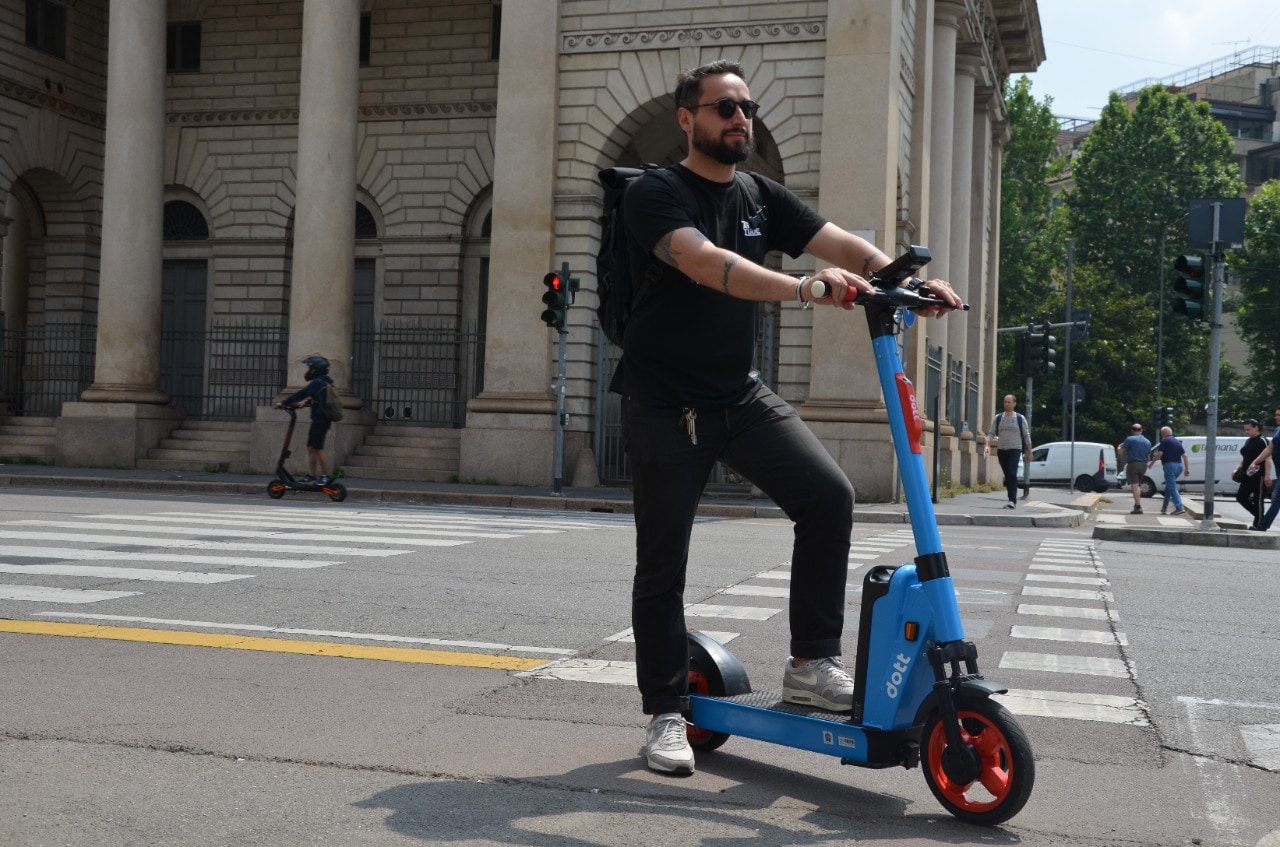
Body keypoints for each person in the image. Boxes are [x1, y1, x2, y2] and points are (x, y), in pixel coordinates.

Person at [612, 59, 963, 775]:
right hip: (663, 401)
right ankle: (666, 713)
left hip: (737, 394)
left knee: (828, 495)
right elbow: (707, 264)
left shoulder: (758, 193)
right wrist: (805, 288)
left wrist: (903, 278)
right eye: (724, 109)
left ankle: (811, 662)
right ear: (689, 119)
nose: (740, 119)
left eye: (746, 108)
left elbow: (841, 244)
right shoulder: (656, 193)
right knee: (663, 566)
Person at [275, 355, 336, 484]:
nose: (308, 369)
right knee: (311, 447)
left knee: (318, 448)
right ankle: (312, 476)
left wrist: (284, 403)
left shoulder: (318, 382)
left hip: (320, 420)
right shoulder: (325, 381)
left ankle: (326, 476)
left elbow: (301, 393)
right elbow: (319, 397)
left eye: (310, 367)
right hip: (321, 420)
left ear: (315, 369)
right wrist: (308, 402)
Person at [983, 394, 1032, 509]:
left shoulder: (1020, 418)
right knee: (1008, 475)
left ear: (1014, 404)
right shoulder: (998, 417)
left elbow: (1026, 435)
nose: (1006, 404)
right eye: (1005, 402)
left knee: (1011, 473)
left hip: (1015, 449)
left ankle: (1012, 500)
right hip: (1002, 450)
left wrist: (1030, 452)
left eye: (1009, 402)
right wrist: (987, 445)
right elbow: (991, 433)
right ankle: (1010, 491)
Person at [1246, 405, 1280, 531]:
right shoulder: (1278, 430)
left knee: (1276, 497)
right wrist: (1255, 462)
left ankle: (1263, 525)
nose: (1276, 417)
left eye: (1279, 415)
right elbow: (1269, 449)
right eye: (1276, 414)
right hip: (1278, 468)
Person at [1234, 418, 1269, 529]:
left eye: (1248, 429)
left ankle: (1258, 524)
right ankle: (1261, 517)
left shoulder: (1263, 441)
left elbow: (1268, 458)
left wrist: (1267, 475)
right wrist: (1237, 468)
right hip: (1246, 474)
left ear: (1256, 428)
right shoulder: (1248, 441)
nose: (1246, 432)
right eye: (1245, 430)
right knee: (1241, 497)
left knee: (1258, 499)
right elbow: (1245, 457)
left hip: (1259, 475)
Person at [1147, 425, 1189, 516]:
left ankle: (1179, 507)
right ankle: (1164, 508)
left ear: (1163, 433)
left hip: (1169, 466)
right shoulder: (1178, 442)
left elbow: (1160, 453)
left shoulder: (1164, 440)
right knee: (1169, 487)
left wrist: (1151, 463)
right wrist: (1187, 469)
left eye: (1161, 434)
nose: (1161, 436)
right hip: (1179, 466)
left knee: (1172, 487)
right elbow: (1185, 455)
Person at [1117, 423, 1152, 514]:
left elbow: (1120, 452)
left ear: (1132, 430)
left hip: (1133, 464)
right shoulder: (1147, 441)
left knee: (1134, 485)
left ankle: (1138, 506)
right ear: (1141, 430)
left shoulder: (1130, 439)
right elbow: (1149, 455)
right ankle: (1137, 503)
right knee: (1138, 485)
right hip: (1143, 465)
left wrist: (1119, 446)